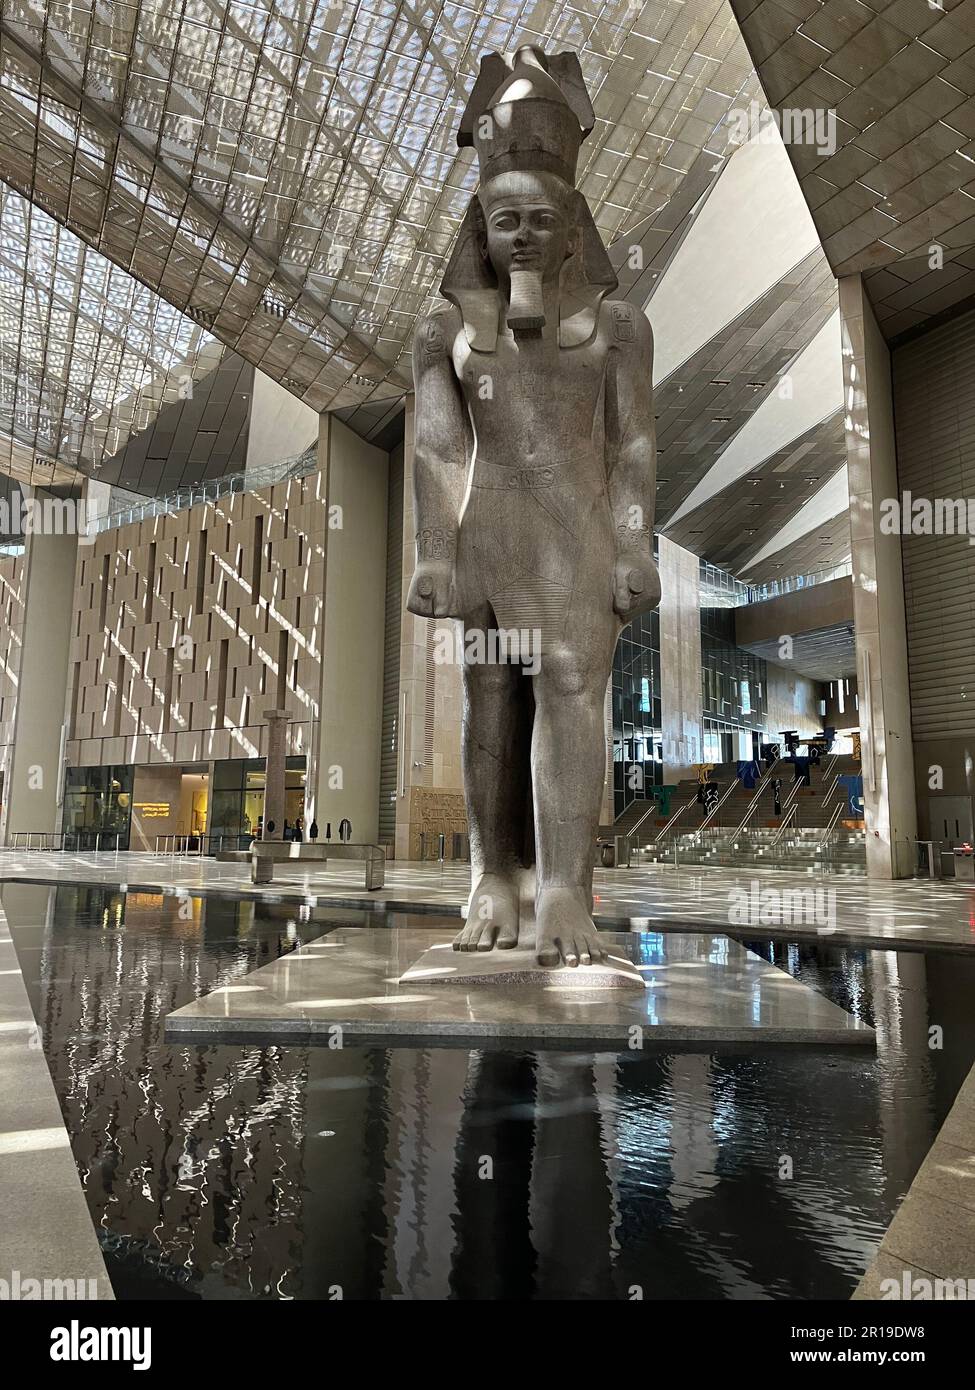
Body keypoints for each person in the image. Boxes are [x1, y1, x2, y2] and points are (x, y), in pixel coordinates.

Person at [407, 47, 658, 968]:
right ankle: (491, 872)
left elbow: (631, 444)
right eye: (500, 218)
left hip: (577, 526)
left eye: (538, 219)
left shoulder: (618, 328)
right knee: (489, 700)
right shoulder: (444, 330)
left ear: (571, 229)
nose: (518, 235)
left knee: (567, 688)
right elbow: (438, 447)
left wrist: (636, 545)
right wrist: (434, 553)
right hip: (488, 530)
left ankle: (562, 888)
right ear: (479, 226)